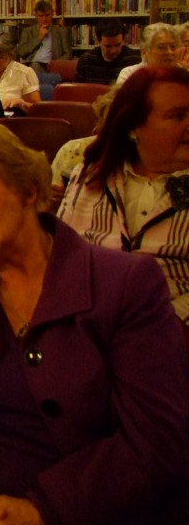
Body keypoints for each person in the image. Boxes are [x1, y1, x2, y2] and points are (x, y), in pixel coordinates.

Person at [0, 122, 189, 525]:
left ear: (29, 191)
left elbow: (155, 440)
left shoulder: (125, 284)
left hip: (92, 509)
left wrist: (41, 510)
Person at [58, 67, 189, 325]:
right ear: (133, 126)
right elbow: (61, 257)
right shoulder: (90, 176)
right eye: (177, 116)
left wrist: (161, 327)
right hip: (86, 323)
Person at [0, 35, 40, 113]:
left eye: (2, 58)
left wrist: (20, 103)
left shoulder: (25, 73)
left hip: (14, 120)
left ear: (11, 55)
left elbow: (38, 109)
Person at [115, 22, 188, 86]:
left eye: (173, 47)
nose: (169, 52)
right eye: (161, 47)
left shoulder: (184, 72)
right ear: (145, 52)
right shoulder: (129, 74)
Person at [74, 19, 141, 84]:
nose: (113, 51)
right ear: (98, 41)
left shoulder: (135, 59)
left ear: (123, 40)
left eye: (117, 45)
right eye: (108, 46)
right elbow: (79, 91)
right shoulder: (86, 60)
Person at [15, 0, 72, 72]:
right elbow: (21, 52)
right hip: (33, 65)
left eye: (47, 15)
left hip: (53, 65)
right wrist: (38, 38)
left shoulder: (61, 31)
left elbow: (68, 54)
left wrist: (54, 64)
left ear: (52, 15)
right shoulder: (28, 31)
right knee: (35, 66)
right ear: (36, 16)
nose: (44, 19)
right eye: (41, 16)